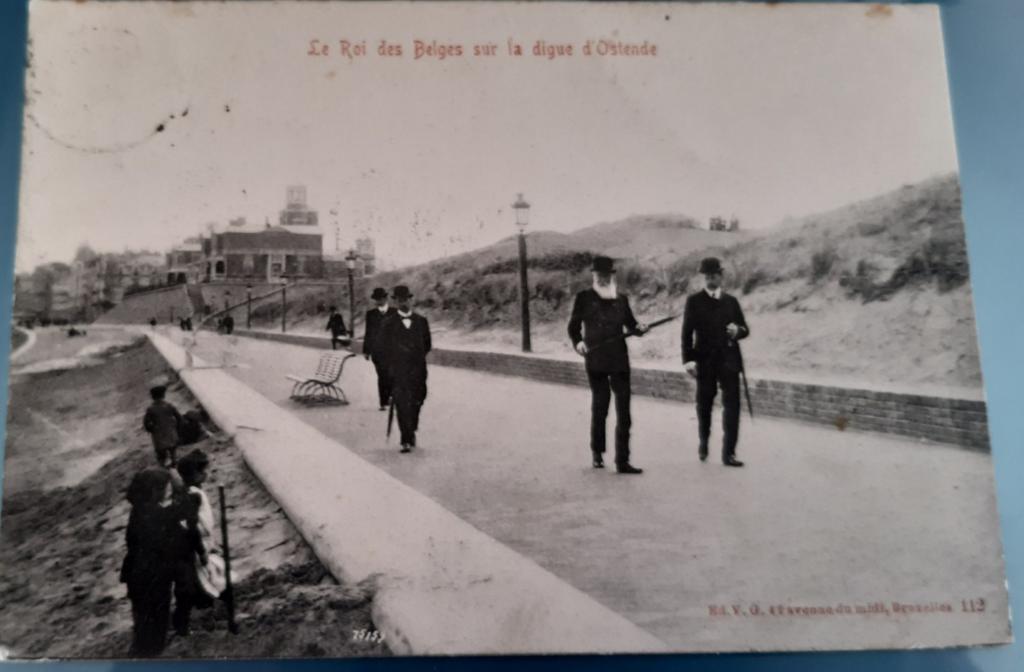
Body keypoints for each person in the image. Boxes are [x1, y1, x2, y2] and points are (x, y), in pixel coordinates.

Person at [567, 256, 647, 474]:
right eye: (599, 275)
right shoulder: (584, 298)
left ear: (612, 276)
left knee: (624, 412)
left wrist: (640, 327)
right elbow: (573, 328)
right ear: (594, 276)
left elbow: (631, 325)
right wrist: (579, 343)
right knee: (600, 407)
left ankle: (623, 460)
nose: (603, 278)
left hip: (619, 360)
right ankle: (598, 453)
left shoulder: (621, 299)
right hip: (596, 360)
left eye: (607, 275)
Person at [681, 257, 751, 467]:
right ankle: (703, 441)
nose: (711, 279)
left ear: (721, 276)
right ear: (704, 278)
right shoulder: (694, 301)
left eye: (715, 275)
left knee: (732, 407)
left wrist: (737, 331)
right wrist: (688, 360)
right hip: (705, 361)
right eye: (708, 275)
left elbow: (745, 329)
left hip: (729, 361)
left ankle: (728, 453)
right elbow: (686, 333)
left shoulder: (731, 301)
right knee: (704, 405)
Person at [120, 468, 190, 657]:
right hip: (152, 579)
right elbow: (179, 515)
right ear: (153, 491)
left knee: (144, 624)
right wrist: (181, 491)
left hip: (139, 576)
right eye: (164, 488)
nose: (167, 491)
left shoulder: (141, 510)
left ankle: (141, 651)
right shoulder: (152, 515)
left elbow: (171, 514)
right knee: (154, 628)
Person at [173, 449, 222, 635]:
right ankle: (202, 610)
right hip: (199, 541)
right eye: (201, 472)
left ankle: (204, 605)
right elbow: (192, 525)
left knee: (205, 572)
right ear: (192, 475)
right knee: (201, 574)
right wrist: (202, 549)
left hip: (204, 538)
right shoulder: (193, 495)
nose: (206, 474)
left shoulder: (194, 491)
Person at [377, 285, 431, 453]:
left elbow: (427, 345)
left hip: (418, 371)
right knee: (402, 404)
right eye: (400, 300)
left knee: (418, 400)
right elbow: (382, 349)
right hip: (398, 372)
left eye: (406, 299)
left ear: (411, 299)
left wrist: (416, 358)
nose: (403, 303)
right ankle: (405, 439)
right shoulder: (388, 323)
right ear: (395, 301)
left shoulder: (421, 321)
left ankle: (412, 428)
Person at [362, 287, 396, 411]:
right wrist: (366, 350)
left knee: (392, 375)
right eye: (376, 299)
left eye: (380, 299)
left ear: (385, 298)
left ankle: (392, 396)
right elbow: (368, 333)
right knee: (382, 375)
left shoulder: (395, 312)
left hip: (393, 351)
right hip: (377, 351)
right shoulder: (371, 314)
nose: (378, 301)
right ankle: (383, 402)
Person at [143, 382, 183, 467]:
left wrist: (152, 430)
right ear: (163, 395)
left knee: (161, 457)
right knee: (173, 453)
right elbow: (179, 418)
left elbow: (146, 424)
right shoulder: (169, 406)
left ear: (153, 397)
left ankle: (163, 468)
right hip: (171, 434)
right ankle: (174, 463)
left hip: (159, 437)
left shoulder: (150, 409)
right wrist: (176, 428)